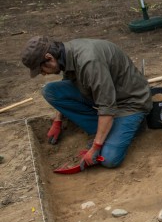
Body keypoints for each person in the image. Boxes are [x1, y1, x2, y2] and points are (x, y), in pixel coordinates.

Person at [21, 36, 151, 168]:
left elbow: (107, 107)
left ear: (49, 58)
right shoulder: (65, 53)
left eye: (41, 70)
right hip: (105, 95)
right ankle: (104, 130)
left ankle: (132, 126)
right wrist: (57, 120)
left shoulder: (89, 61)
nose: (43, 74)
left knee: (109, 158)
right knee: (50, 91)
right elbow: (69, 82)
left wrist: (96, 147)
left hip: (130, 103)